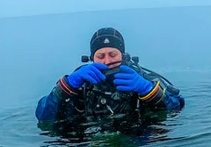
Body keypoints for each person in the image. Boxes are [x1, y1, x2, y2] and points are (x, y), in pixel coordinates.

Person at [35, 27, 184, 132]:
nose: (107, 61)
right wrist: (67, 86)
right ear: (92, 58)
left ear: (124, 56)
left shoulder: (139, 78)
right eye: (100, 56)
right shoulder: (80, 82)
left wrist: (148, 89)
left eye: (113, 55)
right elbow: (43, 117)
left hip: (135, 142)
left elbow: (177, 106)